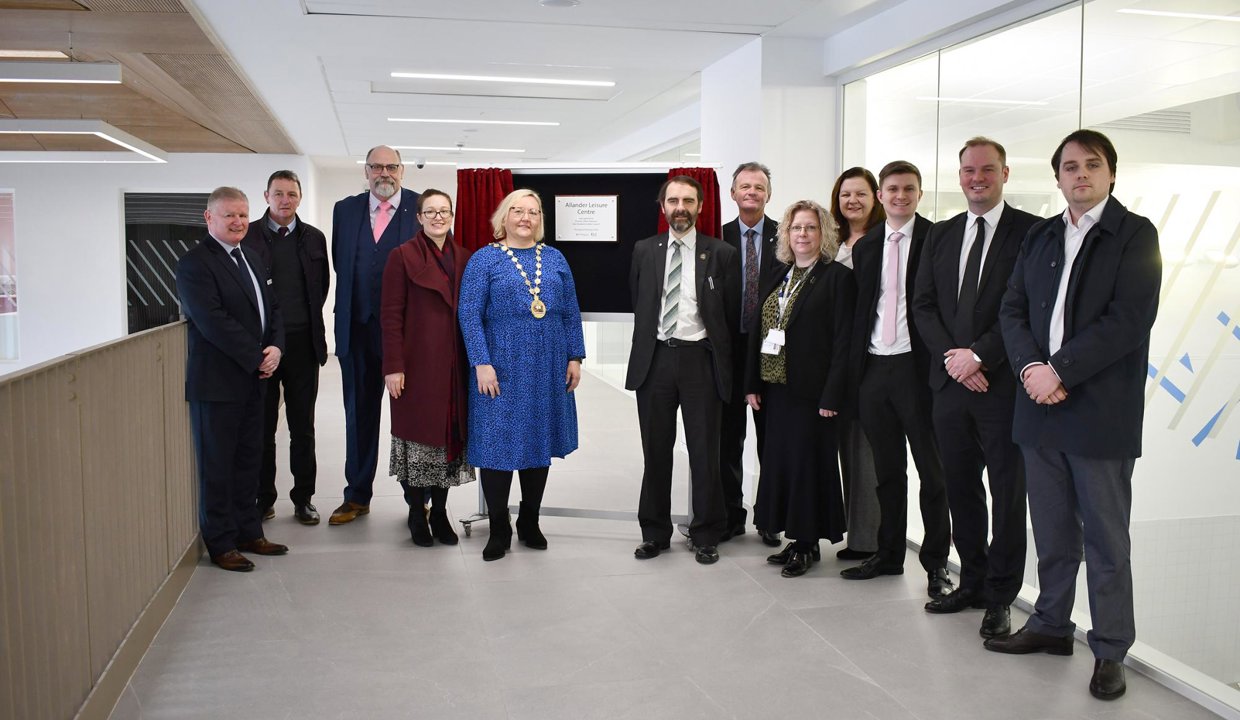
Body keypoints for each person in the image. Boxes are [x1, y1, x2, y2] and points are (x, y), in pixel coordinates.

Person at [991, 129, 1161, 702]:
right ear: (1057, 177)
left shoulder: (1134, 235)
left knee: (1106, 542)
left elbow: (1128, 320)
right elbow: (1011, 308)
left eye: (1092, 165)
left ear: (1111, 173)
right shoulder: (1041, 235)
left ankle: (1110, 649)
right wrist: (1030, 371)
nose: (1080, 174)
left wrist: (1059, 370)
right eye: (1069, 166)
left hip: (1097, 412)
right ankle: (1050, 624)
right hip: (1037, 406)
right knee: (1054, 529)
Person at [912, 138, 1040, 639]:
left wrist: (980, 356)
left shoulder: (1032, 232)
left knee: (1008, 494)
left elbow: (1026, 307)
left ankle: (1001, 597)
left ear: (1005, 173)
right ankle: (973, 581)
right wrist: (955, 359)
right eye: (968, 171)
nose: (977, 178)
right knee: (959, 488)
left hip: (1003, 387)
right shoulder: (941, 235)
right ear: (959, 176)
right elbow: (922, 306)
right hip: (950, 387)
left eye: (987, 170)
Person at [841, 160, 954, 599]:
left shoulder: (938, 239)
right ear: (881, 195)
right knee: (887, 471)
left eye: (909, 188)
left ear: (919, 194)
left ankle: (936, 565)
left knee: (933, 472)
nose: (900, 196)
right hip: (875, 367)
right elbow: (860, 312)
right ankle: (888, 554)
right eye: (892, 189)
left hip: (917, 368)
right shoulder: (867, 246)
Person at [458, 189, 585, 561]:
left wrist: (575, 356)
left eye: (533, 211)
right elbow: (469, 314)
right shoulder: (485, 260)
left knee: (537, 440)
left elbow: (570, 311)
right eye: (517, 210)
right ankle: (499, 526)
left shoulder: (556, 258)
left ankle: (530, 520)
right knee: (496, 444)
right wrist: (481, 362)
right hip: (500, 367)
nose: (525, 217)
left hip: (548, 365)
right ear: (504, 216)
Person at [626, 175, 740, 565]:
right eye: (673, 200)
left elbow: (728, 314)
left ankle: (707, 533)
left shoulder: (721, 253)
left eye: (688, 201)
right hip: (655, 360)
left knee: (705, 452)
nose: (680, 207)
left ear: (701, 207)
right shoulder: (645, 250)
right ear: (663, 207)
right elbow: (638, 300)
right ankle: (654, 532)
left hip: (700, 361)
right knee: (655, 452)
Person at [177, 187, 288, 572]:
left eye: (242, 214)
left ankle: (249, 531)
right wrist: (257, 356)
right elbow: (212, 322)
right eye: (229, 216)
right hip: (219, 384)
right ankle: (221, 542)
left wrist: (276, 347)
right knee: (218, 466)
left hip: (255, 380)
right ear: (209, 218)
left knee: (249, 461)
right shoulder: (195, 264)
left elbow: (272, 309)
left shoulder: (252, 257)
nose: (238, 221)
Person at [744, 200, 855, 577]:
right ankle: (795, 536)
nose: (802, 235)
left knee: (810, 466)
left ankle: (807, 543)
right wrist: (752, 384)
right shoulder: (780, 275)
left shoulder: (837, 278)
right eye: (796, 228)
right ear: (786, 235)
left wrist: (833, 394)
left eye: (810, 228)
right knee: (783, 464)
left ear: (823, 233)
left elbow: (845, 342)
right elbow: (759, 333)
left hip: (814, 393)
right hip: (777, 389)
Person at [329, 145, 421, 526]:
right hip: (357, 330)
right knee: (359, 415)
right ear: (365, 171)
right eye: (377, 167)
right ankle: (357, 496)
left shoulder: (420, 207)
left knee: (411, 421)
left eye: (392, 167)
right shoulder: (345, 210)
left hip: (405, 335)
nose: (385, 173)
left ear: (402, 171)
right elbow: (341, 264)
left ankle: (418, 499)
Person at [381, 189, 474, 547]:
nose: (438, 217)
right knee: (418, 442)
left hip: (454, 366)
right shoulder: (401, 257)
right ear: (418, 217)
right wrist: (393, 366)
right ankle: (417, 511)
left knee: (449, 440)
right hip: (415, 366)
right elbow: (390, 316)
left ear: (452, 216)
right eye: (430, 211)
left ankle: (440, 512)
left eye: (444, 211)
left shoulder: (466, 258)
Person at [243, 170, 329, 526]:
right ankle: (264, 498)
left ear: (299, 198)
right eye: (278, 193)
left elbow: (320, 288)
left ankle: (303, 498)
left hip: (303, 343)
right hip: (262, 347)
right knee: (262, 427)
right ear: (266, 196)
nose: (284, 200)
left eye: (291, 194)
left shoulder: (314, 238)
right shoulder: (248, 237)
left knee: (302, 427)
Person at [720, 162, 779, 545]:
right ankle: (730, 515)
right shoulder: (716, 236)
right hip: (727, 349)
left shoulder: (786, 235)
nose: (752, 192)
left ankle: (769, 518)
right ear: (733, 193)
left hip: (771, 351)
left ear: (768, 194)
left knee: (770, 440)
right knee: (727, 438)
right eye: (745, 186)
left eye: (759, 187)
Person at [828, 167, 885, 562]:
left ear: (875, 197)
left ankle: (870, 539)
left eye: (861, 194)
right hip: (832, 357)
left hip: (871, 358)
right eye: (846, 194)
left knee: (867, 453)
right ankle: (849, 530)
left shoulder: (885, 240)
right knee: (845, 449)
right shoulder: (831, 242)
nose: (853, 201)